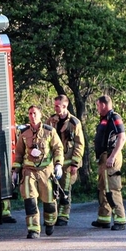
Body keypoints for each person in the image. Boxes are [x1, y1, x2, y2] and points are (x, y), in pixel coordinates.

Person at [12, 106, 64, 239]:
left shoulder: (49, 131)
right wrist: (15, 171)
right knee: (30, 201)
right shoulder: (24, 133)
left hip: (46, 171)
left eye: (34, 113)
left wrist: (58, 165)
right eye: (30, 113)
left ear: (40, 115)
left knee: (49, 201)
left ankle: (50, 222)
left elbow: (58, 148)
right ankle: (33, 229)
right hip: (29, 171)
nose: (32, 116)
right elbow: (18, 153)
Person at [91, 95, 126, 231]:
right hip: (103, 157)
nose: (97, 108)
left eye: (97, 105)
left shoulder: (114, 117)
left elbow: (122, 137)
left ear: (104, 105)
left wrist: (113, 156)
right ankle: (104, 218)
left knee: (112, 188)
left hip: (111, 156)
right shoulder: (104, 119)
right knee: (102, 188)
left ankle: (120, 219)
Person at [49, 95, 85, 226]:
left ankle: (63, 216)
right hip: (54, 163)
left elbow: (79, 145)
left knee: (65, 190)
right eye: (55, 106)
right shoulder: (51, 121)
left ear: (64, 106)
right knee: (53, 190)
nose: (55, 108)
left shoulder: (74, 123)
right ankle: (53, 215)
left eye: (57, 106)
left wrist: (75, 163)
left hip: (69, 164)